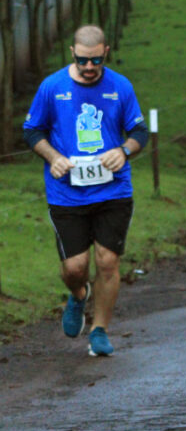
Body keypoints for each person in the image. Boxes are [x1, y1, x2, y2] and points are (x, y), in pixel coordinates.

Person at [22, 25, 149, 357]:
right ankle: (79, 295)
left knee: (107, 262)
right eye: (82, 60)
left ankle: (100, 330)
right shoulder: (52, 87)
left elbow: (139, 131)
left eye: (95, 60)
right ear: (72, 54)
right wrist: (54, 158)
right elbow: (33, 131)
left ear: (105, 51)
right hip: (66, 194)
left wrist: (123, 151)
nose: (89, 67)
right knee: (74, 268)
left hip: (113, 191)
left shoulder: (120, 86)